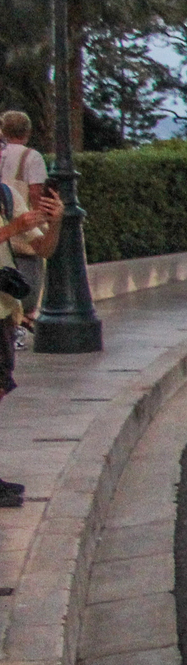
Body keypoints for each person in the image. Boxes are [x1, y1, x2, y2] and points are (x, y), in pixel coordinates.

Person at [0, 177, 62, 505]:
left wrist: (55, 222)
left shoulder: (6, 195)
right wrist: (11, 229)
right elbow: (13, 231)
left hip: (5, 311)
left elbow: (44, 249)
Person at [0, 110, 49, 299]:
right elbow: (36, 192)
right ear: (27, 133)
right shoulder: (32, 156)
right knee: (25, 291)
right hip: (22, 232)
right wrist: (42, 221)